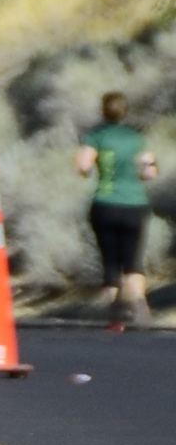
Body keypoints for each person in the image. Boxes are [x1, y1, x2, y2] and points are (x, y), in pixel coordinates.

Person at [76, 94, 157, 329]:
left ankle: (115, 315)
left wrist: (91, 169)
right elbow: (149, 172)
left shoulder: (96, 136)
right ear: (125, 111)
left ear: (103, 110)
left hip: (106, 204)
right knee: (133, 260)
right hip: (135, 204)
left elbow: (83, 165)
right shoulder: (135, 137)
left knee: (111, 262)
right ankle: (138, 303)